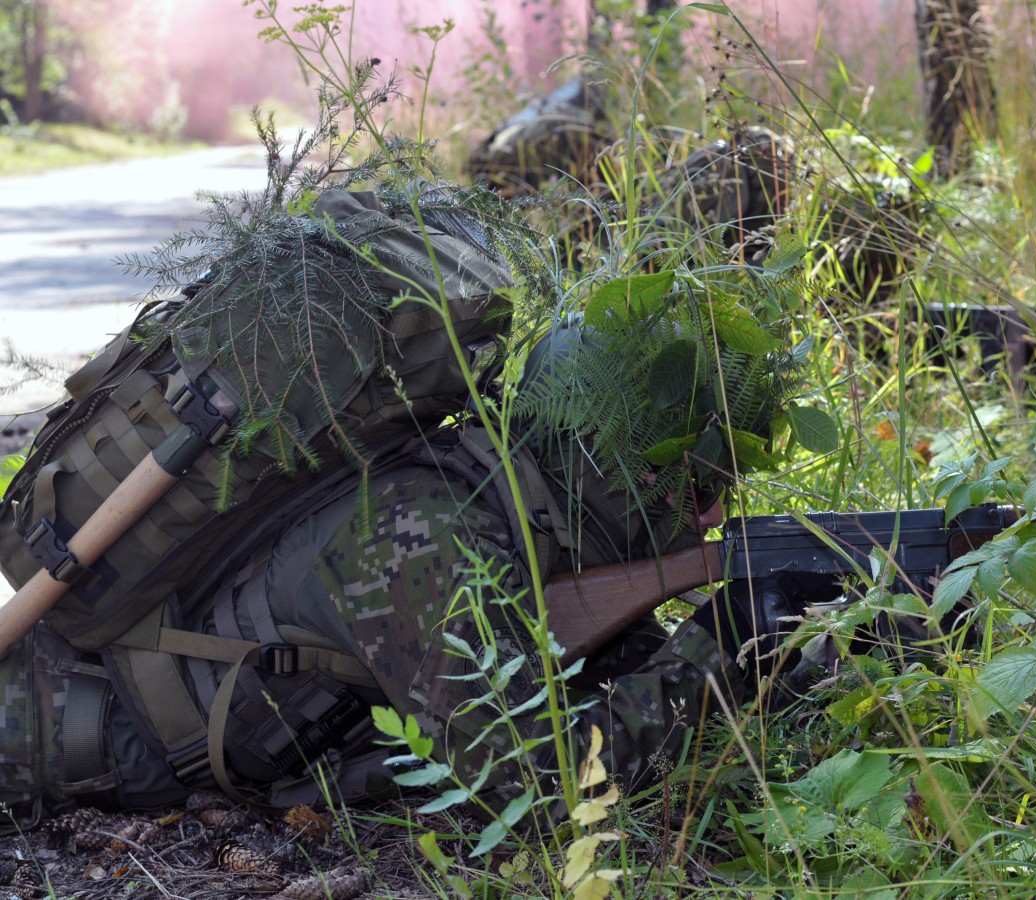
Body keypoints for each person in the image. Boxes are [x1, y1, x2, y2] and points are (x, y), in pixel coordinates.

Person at [0, 279, 812, 832]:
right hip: (48, 728)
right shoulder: (427, 532)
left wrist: (806, 647)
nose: (712, 515)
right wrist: (721, 651)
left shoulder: (505, 507)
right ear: (617, 464)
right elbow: (532, 790)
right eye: (698, 487)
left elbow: (593, 676)